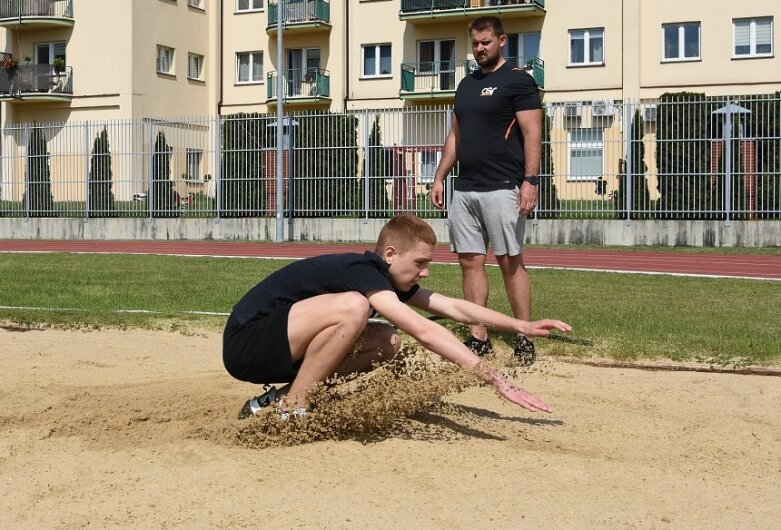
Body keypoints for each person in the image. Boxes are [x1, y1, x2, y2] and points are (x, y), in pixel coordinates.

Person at [223, 215, 571, 420]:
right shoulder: (364, 272)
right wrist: (496, 380)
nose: (426, 273)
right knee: (354, 308)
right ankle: (293, 411)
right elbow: (424, 330)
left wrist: (520, 325)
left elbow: (453, 307)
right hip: (246, 343)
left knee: (387, 343)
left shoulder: (384, 279)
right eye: (421, 263)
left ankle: (275, 401)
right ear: (390, 254)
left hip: (280, 347)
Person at [431, 15, 542, 366]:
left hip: (503, 187)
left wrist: (531, 181)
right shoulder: (464, 85)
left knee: (510, 263)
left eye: (486, 43)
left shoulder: (519, 81)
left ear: (502, 41)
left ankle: (524, 336)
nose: (480, 49)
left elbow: (532, 134)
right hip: (466, 190)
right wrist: (439, 177)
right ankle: (479, 337)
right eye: (475, 43)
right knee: (470, 263)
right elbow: (455, 137)